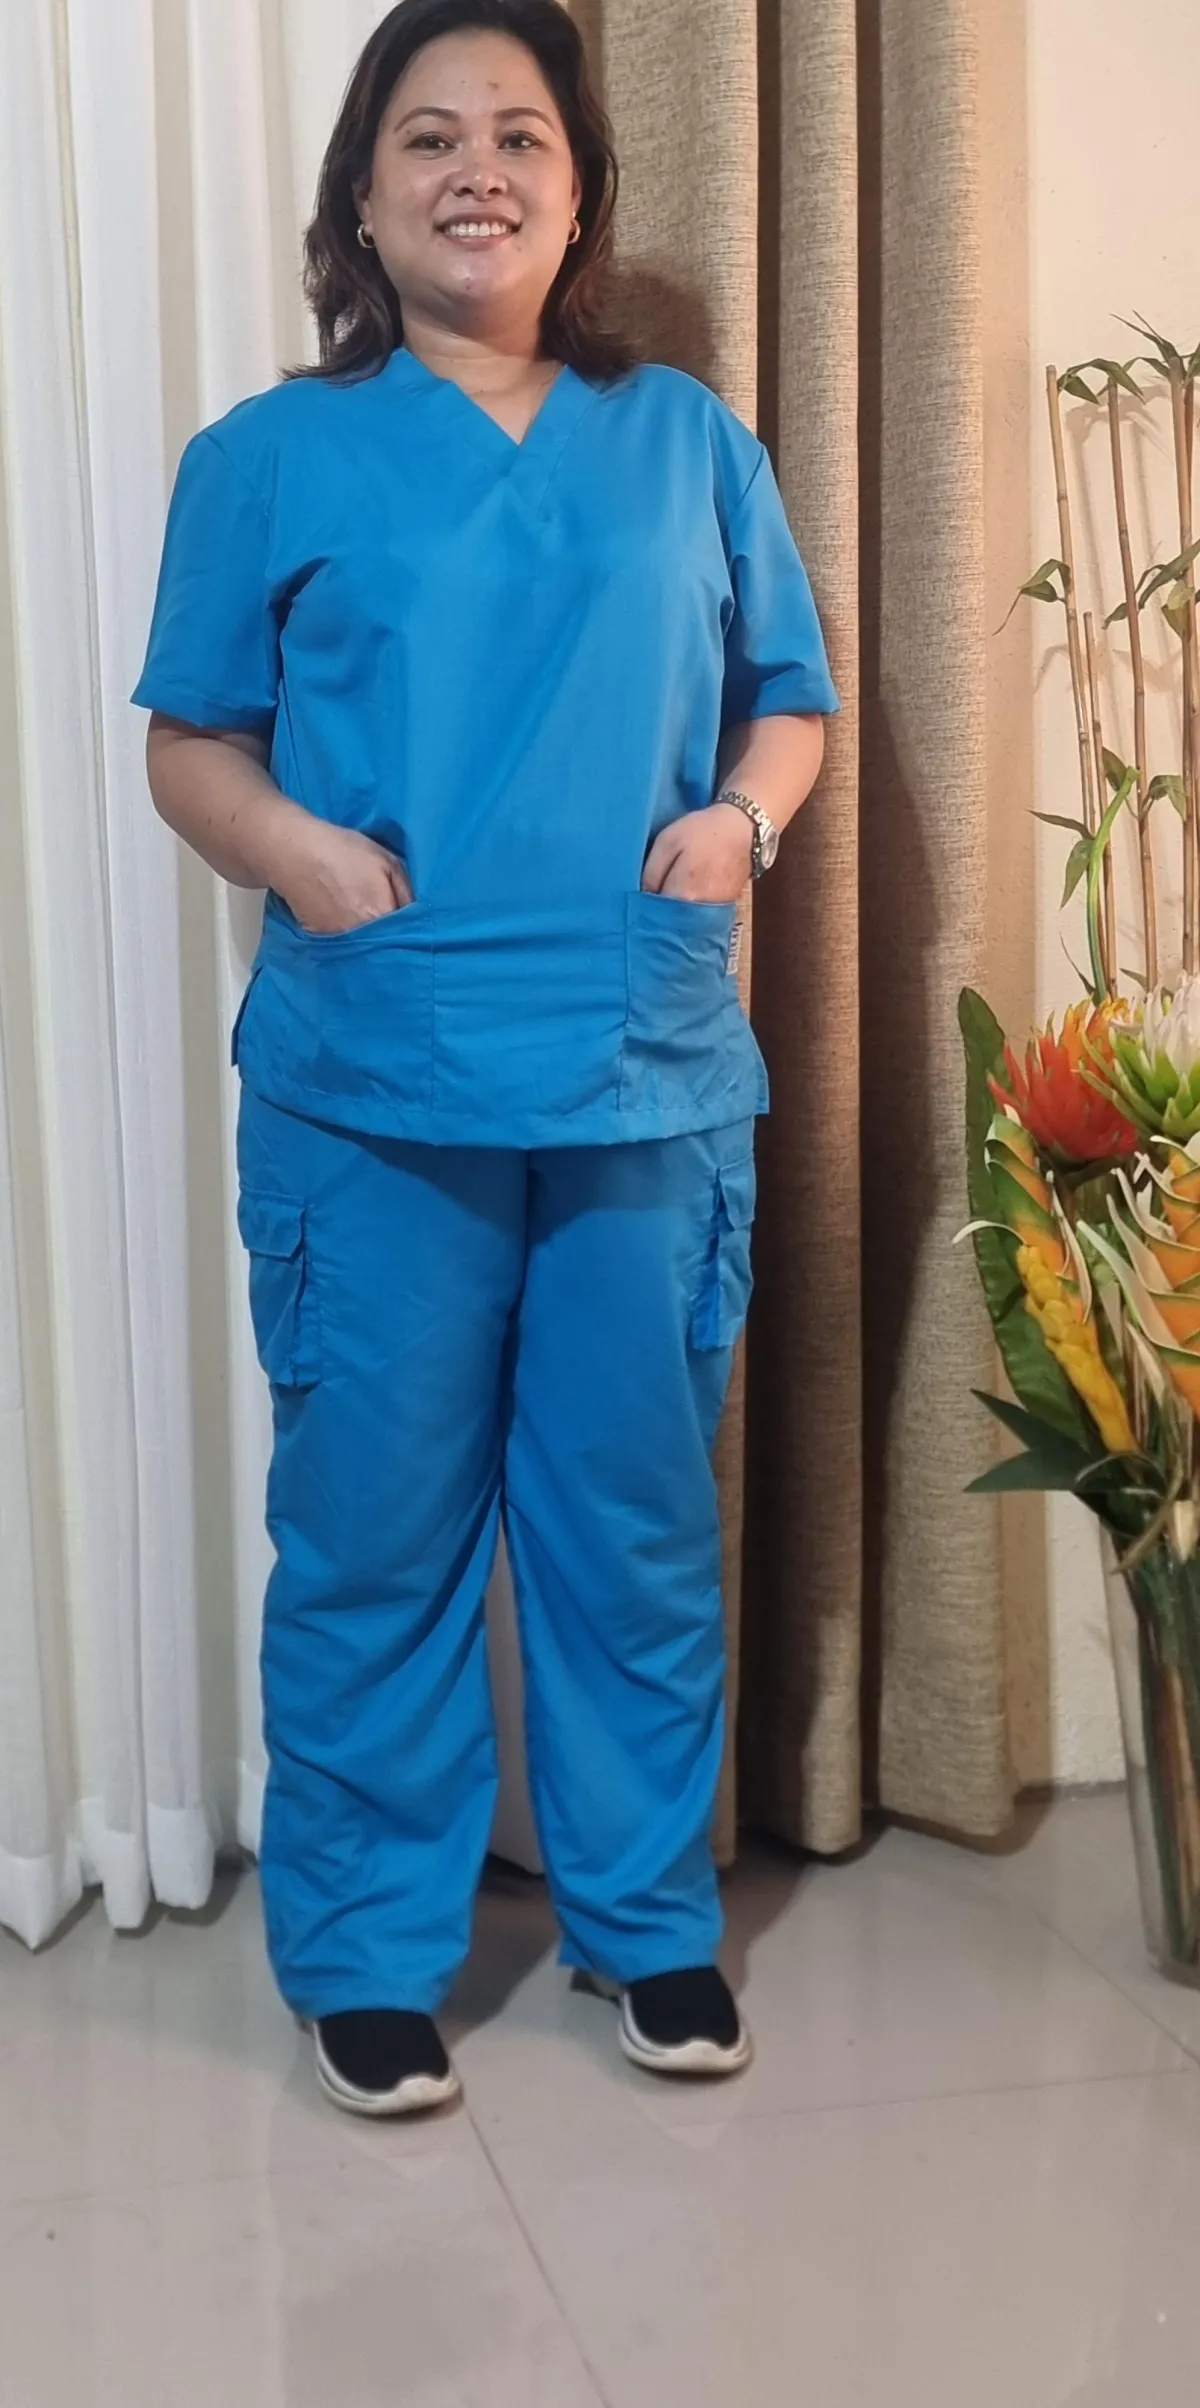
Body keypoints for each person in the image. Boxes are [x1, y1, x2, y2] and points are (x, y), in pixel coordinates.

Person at [133, 0, 838, 2119]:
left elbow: (789, 696)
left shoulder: (690, 442)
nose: (479, 170)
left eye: (522, 135)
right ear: (362, 196)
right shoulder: (266, 459)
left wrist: (744, 825)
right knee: (374, 1532)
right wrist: (298, 855)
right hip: (377, 1083)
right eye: (428, 135)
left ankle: (648, 1926)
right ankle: (366, 1953)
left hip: (640, 1069)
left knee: (631, 1525)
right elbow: (190, 743)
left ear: (580, 193)